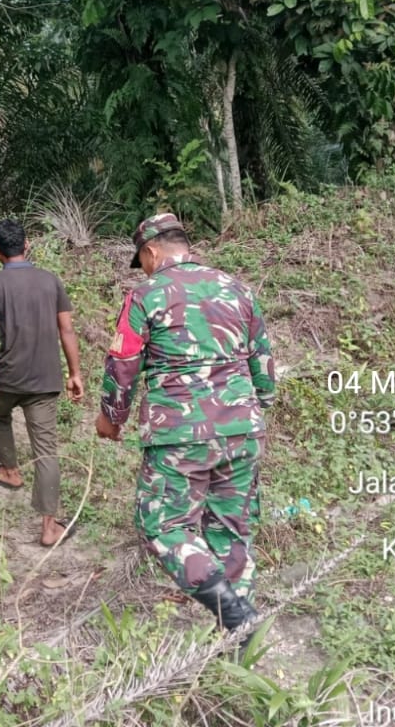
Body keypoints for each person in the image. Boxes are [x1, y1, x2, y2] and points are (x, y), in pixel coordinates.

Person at [96, 213, 276, 632]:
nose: (143, 269)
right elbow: (263, 362)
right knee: (231, 530)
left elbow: (123, 363)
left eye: (141, 261)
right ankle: (239, 639)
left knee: (163, 524)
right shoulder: (238, 289)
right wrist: (256, 406)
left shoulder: (146, 295)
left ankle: (237, 617)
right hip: (243, 429)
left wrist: (111, 419)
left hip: (178, 432)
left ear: (151, 251)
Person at [0, 219, 84, 547]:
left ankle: (10, 471)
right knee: (46, 452)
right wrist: (75, 373)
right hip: (44, 380)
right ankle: (49, 528)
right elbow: (67, 329)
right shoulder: (51, 281)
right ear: (27, 245)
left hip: (7, 378)